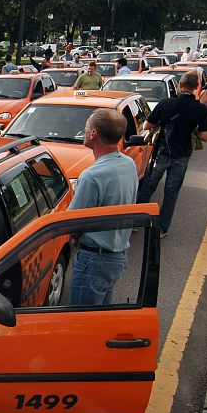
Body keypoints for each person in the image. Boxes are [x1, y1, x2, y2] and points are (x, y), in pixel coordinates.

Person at [68, 109, 138, 305]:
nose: (84, 131)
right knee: (101, 315)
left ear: (94, 134)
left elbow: (71, 223)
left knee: (83, 319)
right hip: (117, 257)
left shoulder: (92, 176)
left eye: (86, 127)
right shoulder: (128, 164)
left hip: (94, 261)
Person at [136, 71, 207, 238]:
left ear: (180, 85)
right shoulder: (200, 109)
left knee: (148, 186)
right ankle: (162, 228)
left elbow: (147, 126)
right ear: (196, 87)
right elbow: (206, 137)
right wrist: (194, 129)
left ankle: (136, 221)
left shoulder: (166, 103)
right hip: (182, 156)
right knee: (171, 192)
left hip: (161, 153)